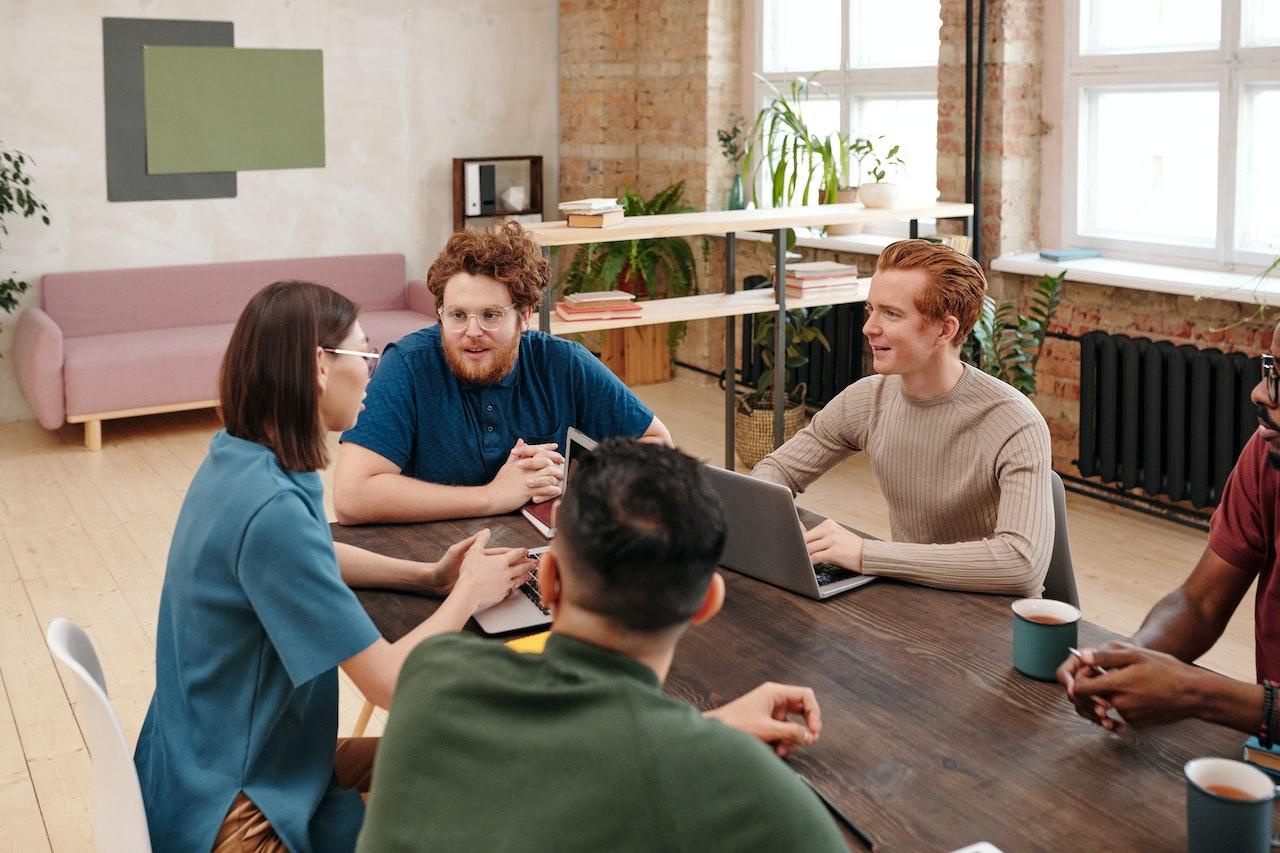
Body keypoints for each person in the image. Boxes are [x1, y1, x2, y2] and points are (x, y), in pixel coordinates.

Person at [133, 281, 535, 853]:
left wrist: (426, 577)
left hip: (204, 769)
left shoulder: (240, 458)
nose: (372, 371)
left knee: (466, 760)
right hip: (245, 815)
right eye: (364, 355)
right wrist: (467, 594)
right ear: (321, 366)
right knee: (485, 797)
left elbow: (310, 556)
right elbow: (393, 684)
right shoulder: (271, 510)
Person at [356, 440, 846, 852]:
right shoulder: (744, 785)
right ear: (707, 603)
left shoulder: (433, 672)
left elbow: (558, 764)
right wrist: (706, 742)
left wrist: (703, 733)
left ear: (548, 578)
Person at [752, 239, 1053, 597]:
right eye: (871, 309)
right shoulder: (867, 399)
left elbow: (1021, 564)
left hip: (991, 614)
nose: (869, 327)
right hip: (912, 596)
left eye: (891, 314)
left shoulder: (1014, 423)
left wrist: (864, 553)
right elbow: (775, 473)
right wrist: (783, 528)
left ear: (945, 329)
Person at [333, 222, 672, 524]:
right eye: (457, 315)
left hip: (542, 553)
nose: (472, 331)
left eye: (491, 315)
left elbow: (657, 445)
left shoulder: (564, 362)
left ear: (524, 316)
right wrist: (493, 497)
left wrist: (572, 474)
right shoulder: (407, 364)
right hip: (437, 556)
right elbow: (351, 496)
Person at [1057, 322, 1280, 737]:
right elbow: (1200, 602)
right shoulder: (1267, 454)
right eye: (1272, 370)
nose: (1261, 393)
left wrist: (1200, 693)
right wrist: (1129, 658)